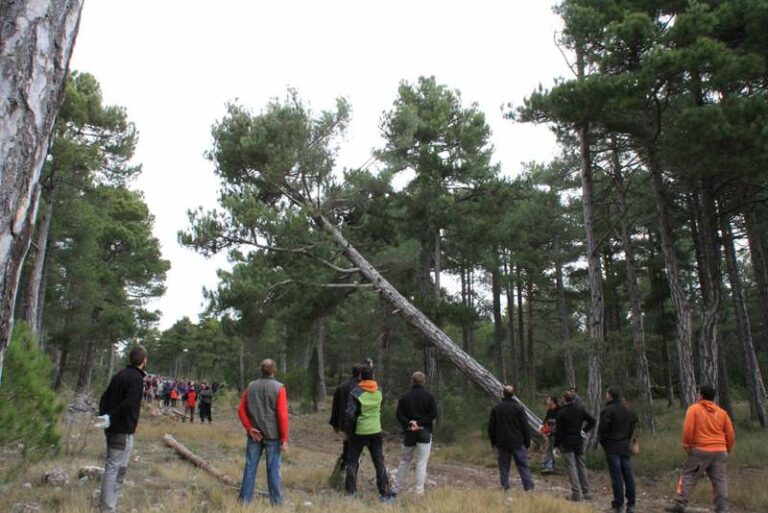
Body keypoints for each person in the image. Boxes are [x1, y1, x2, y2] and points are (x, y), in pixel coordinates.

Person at [665, 384, 735, 513]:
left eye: (698, 393)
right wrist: (726, 450)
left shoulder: (694, 409)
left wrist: (687, 447)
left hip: (701, 450)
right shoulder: (722, 413)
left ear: (701, 395)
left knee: (688, 476)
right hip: (720, 451)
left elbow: (688, 430)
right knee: (719, 480)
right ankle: (722, 508)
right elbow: (730, 434)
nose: (697, 395)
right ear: (713, 397)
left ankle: (680, 504)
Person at [96, 345, 148, 513]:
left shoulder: (119, 375)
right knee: (113, 468)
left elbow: (104, 397)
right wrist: (111, 418)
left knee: (119, 469)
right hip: (122, 431)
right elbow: (129, 404)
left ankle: (111, 504)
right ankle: (107, 508)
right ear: (144, 361)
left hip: (115, 429)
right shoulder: (136, 379)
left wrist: (105, 417)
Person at [237, 359, 288, 506]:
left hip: (255, 435)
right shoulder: (279, 388)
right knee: (273, 470)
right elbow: (282, 415)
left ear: (261, 369)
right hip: (273, 436)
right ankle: (276, 504)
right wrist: (284, 438)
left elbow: (241, 409)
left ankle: (244, 502)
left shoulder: (251, 386)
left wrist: (249, 428)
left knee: (250, 467)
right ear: (274, 370)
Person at [343, 366, 393, 502]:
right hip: (376, 431)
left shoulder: (355, 392)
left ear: (360, 377)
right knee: (379, 462)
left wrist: (350, 430)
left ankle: (351, 493)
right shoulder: (379, 391)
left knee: (352, 461)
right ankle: (384, 493)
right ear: (373, 376)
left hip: (359, 431)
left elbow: (350, 414)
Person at [392, 371, 438, 496]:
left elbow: (399, 414)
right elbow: (433, 414)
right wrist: (420, 423)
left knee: (405, 461)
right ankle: (419, 492)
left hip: (409, 433)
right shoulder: (430, 397)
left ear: (411, 381)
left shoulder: (405, 397)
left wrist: (410, 423)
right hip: (424, 432)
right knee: (421, 463)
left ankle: (396, 489)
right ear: (424, 382)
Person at [599, 387, 638, 513]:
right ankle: (631, 504)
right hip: (624, 446)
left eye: (606, 393)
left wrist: (604, 443)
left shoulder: (607, 410)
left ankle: (618, 505)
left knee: (617, 477)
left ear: (609, 395)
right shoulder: (626, 409)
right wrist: (627, 438)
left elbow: (603, 430)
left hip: (612, 446)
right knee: (628, 476)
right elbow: (633, 424)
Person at [488, 385, 534, 492]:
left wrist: (493, 442)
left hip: (502, 442)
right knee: (523, 466)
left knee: (504, 467)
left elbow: (491, 427)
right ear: (513, 394)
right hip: (517, 442)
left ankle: (505, 487)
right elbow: (525, 426)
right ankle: (528, 488)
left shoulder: (497, 408)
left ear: (503, 394)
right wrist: (527, 442)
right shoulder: (518, 408)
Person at [556, 390, 596, 502]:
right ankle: (587, 492)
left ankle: (576, 493)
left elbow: (559, 432)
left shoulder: (562, 412)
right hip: (578, 441)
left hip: (567, 442)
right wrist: (584, 431)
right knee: (581, 465)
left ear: (564, 399)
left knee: (571, 467)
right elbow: (592, 421)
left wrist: (556, 445)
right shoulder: (580, 410)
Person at [329, 363, 364, 473]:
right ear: (360, 374)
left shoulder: (341, 387)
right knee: (355, 449)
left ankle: (343, 468)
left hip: (345, 423)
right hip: (359, 423)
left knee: (348, 443)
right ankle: (350, 472)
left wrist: (335, 424)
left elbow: (335, 407)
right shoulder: (362, 388)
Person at [540, 395, 560, 473]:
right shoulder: (549, 410)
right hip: (550, 433)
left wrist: (552, 424)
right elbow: (545, 420)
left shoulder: (559, 409)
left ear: (552, 401)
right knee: (549, 448)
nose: (547, 401)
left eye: (548, 400)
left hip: (558, 433)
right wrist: (542, 427)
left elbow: (560, 421)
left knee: (554, 449)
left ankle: (550, 466)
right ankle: (548, 465)